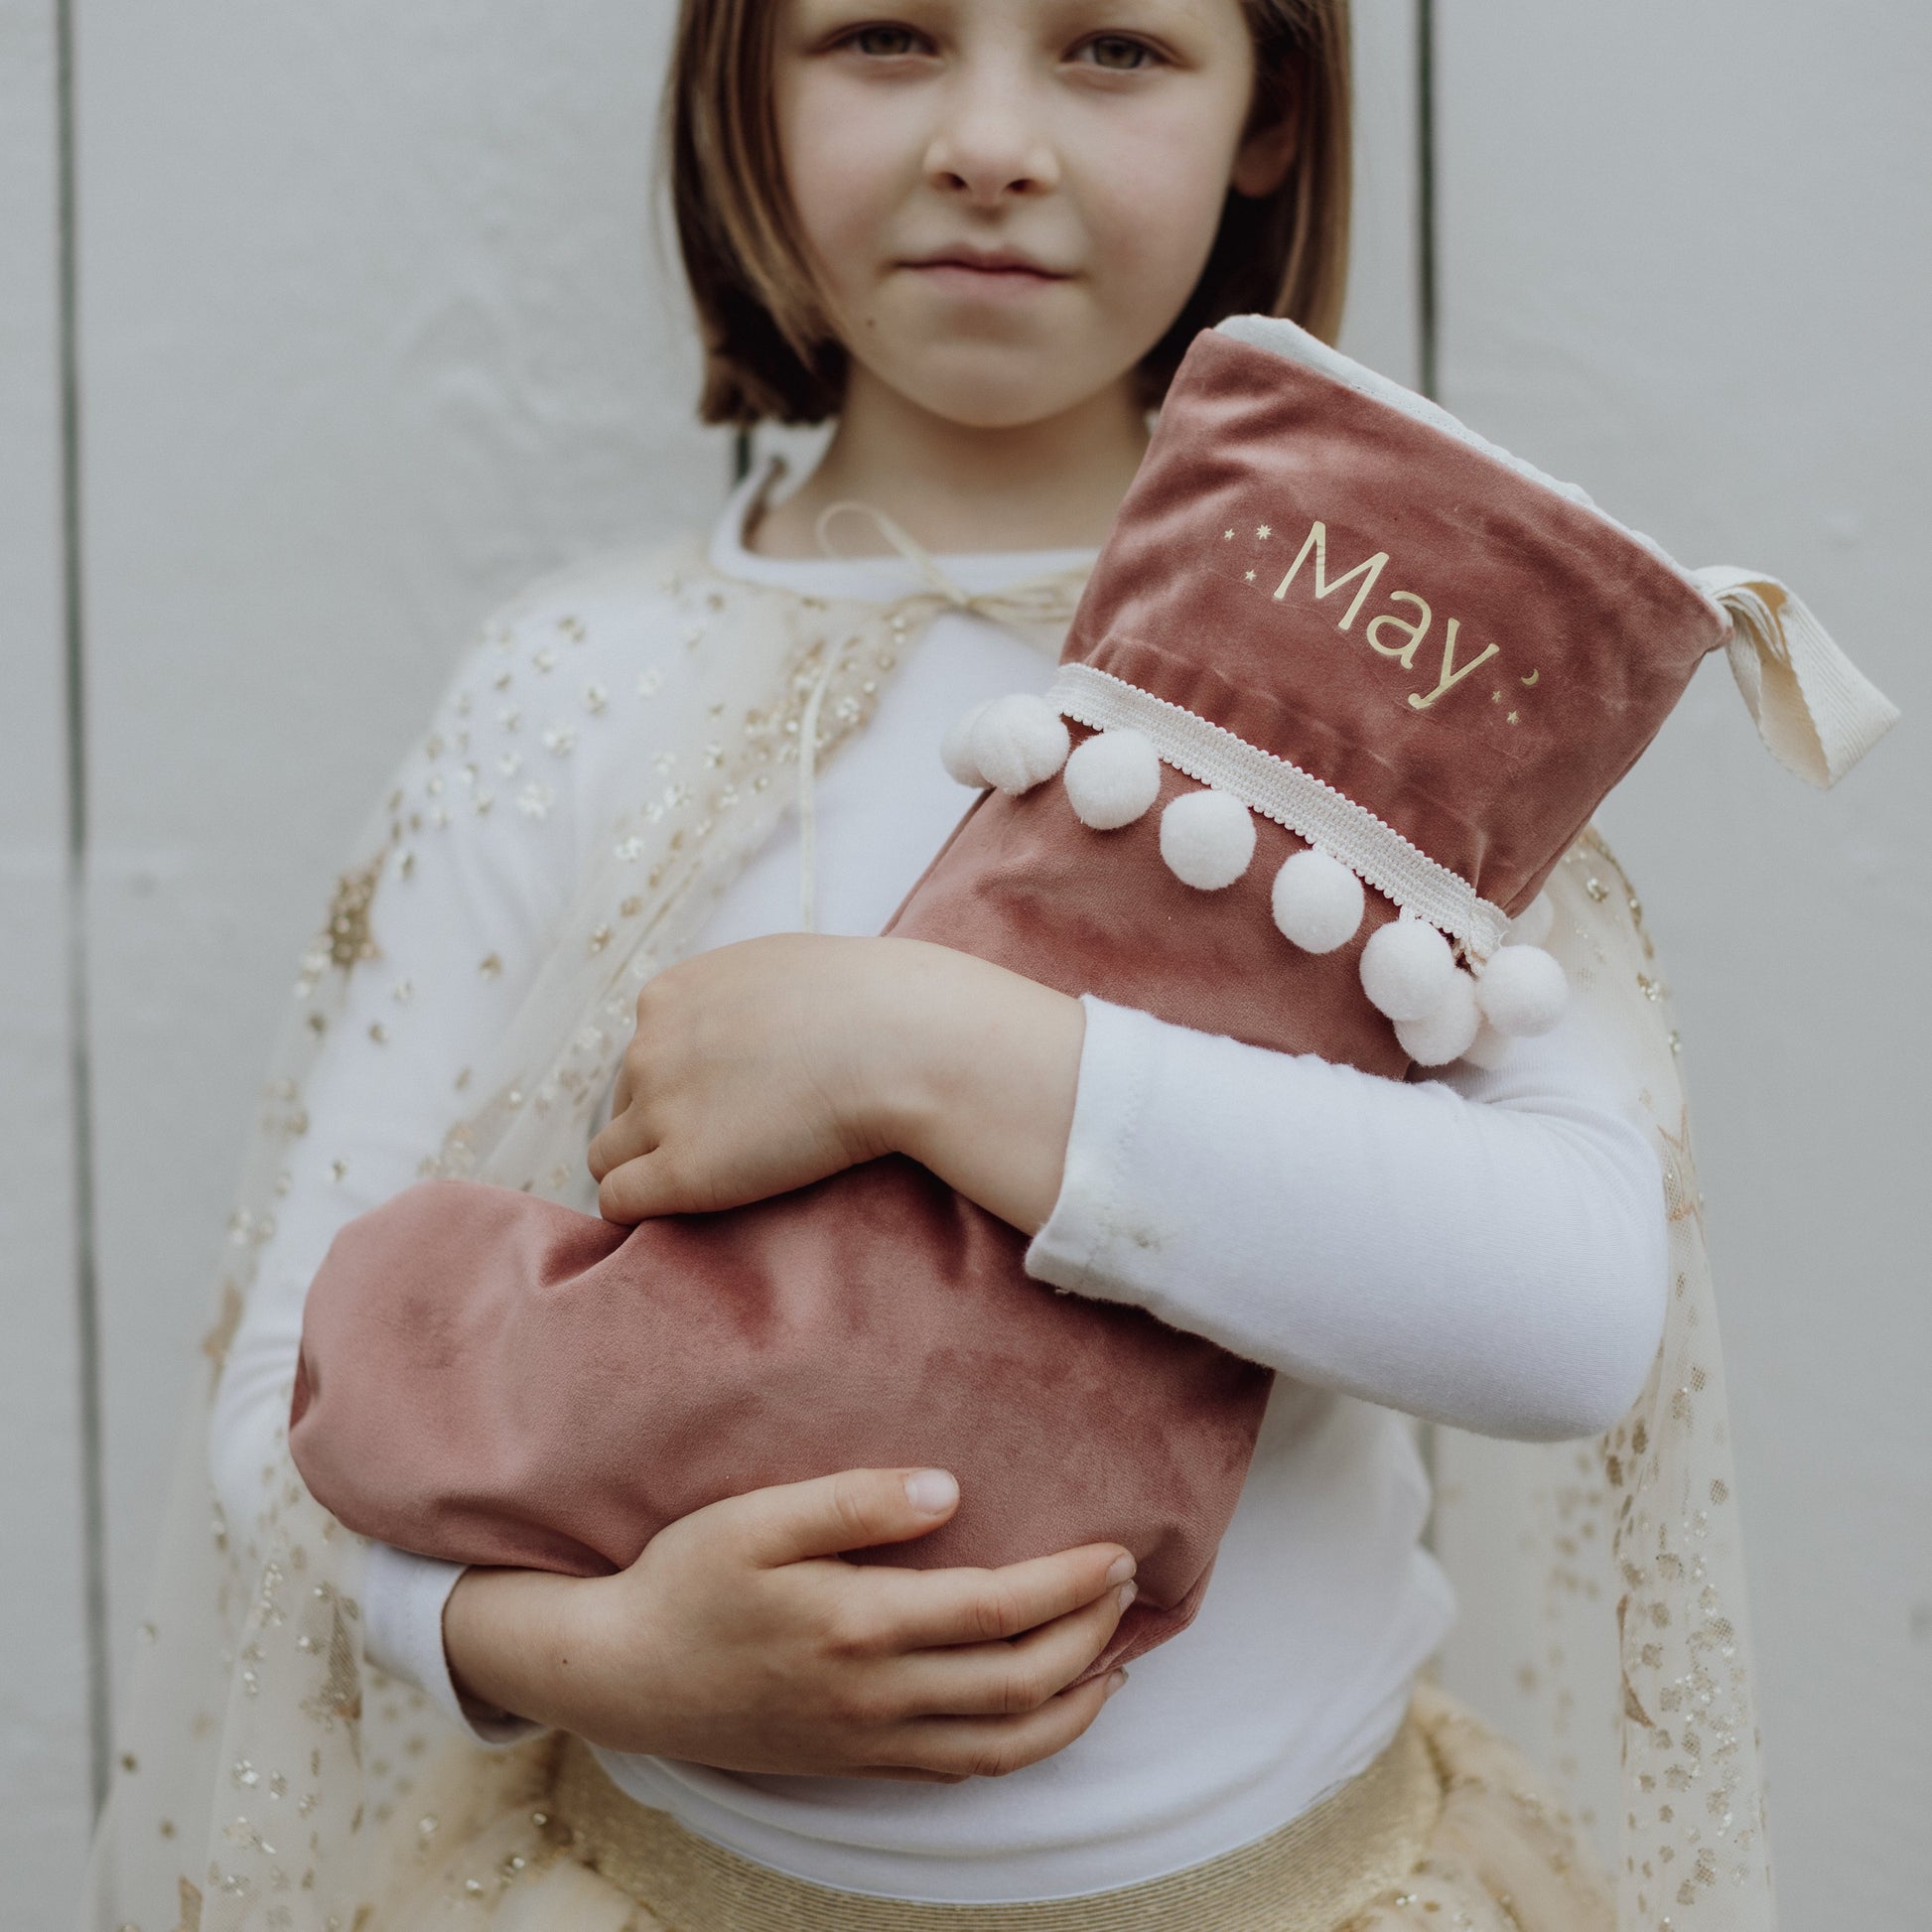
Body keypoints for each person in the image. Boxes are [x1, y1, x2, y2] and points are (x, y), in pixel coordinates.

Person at [80, 4, 1788, 1927]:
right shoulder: (575, 690)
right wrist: (580, 1656)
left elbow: (1566, 1316)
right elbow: (293, 1394)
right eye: (884, 35)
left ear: (1267, 114)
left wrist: (932, 1051)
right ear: (745, 81)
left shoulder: (1370, 665)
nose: (989, 140)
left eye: (1114, 48)